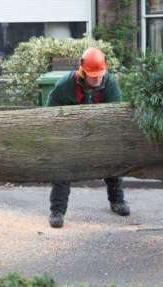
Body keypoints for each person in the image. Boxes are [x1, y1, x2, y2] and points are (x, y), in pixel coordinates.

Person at [45, 47, 130, 228]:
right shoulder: (65, 85)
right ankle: (57, 211)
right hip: (71, 136)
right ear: (83, 71)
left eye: (100, 74)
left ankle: (117, 201)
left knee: (112, 162)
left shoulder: (110, 83)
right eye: (93, 75)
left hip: (100, 134)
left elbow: (116, 116)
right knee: (62, 168)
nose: (97, 78)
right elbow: (49, 115)